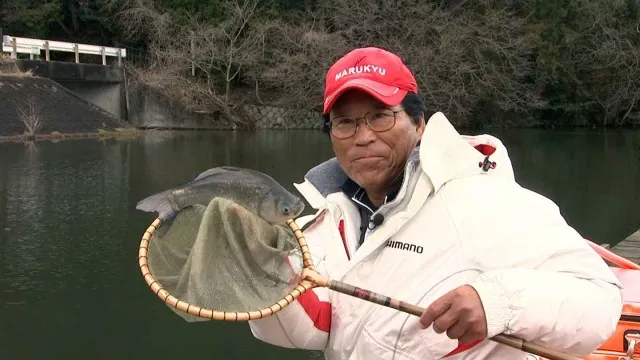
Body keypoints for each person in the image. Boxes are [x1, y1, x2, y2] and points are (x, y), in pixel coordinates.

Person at [247, 47, 623, 359]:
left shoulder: (489, 201)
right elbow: (316, 330)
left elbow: (600, 302)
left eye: (380, 116)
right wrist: (261, 274)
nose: (362, 137)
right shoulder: (327, 220)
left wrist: (497, 300)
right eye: (344, 123)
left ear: (420, 123)